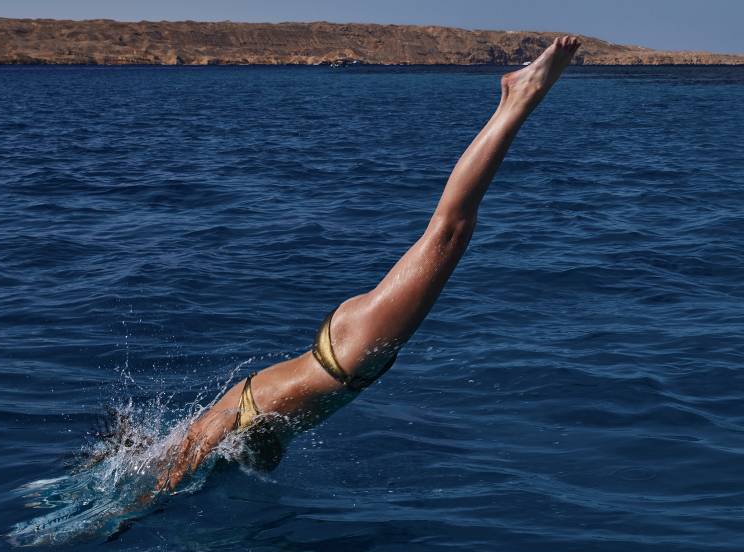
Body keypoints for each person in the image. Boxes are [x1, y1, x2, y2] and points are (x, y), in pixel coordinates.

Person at [155, 37, 582, 492]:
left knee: (450, 232)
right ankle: (514, 100)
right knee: (449, 233)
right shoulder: (212, 426)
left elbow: (200, 448)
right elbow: (260, 446)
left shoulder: (207, 429)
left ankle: (519, 98)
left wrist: (151, 499)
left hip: (347, 356)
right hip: (343, 356)